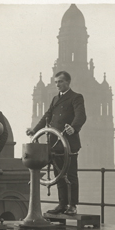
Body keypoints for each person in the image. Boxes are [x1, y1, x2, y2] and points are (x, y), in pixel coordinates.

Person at [26, 71, 86, 215]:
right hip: (55, 144)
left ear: (68, 82)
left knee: (70, 175)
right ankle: (62, 204)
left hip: (68, 143)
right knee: (58, 174)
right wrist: (34, 130)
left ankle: (72, 205)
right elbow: (47, 116)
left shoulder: (76, 97)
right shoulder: (54, 99)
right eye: (56, 82)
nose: (57, 85)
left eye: (60, 82)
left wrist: (73, 127)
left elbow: (81, 115)